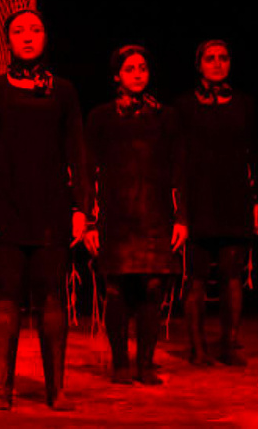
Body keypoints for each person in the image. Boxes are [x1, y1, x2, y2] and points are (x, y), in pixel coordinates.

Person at [0, 8, 87, 411]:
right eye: (19, 31)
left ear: (46, 37)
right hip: (4, 207)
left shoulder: (63, 91)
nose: (28, 36)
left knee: (52, 295)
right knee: (5, 296)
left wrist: (81, 208)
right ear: (8, 41)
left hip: (52, 208)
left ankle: (57, 389)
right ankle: (3, 389)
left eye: (35, 29)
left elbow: (77, 152)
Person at [83, 45, 187, 385]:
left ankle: (145, 363)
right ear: (117, 76)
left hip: (155, 214)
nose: (138, 74)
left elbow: (179, 168)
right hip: (115, 214)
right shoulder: (101, 117)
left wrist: (182, 218)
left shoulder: (166, 117)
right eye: (130, 68)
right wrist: (89, 221)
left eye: (142, 67)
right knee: (116, 289)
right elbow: (88, 169)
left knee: (153, 287)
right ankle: (120, 363)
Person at [176, 39, 258, 366]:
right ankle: (197, 347)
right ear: (199, 64)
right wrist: (179, 206)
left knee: (232, 273)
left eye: (223, 58)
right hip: (199, 197)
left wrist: (257, 199)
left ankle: (230, 343)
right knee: (196, 275)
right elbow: (178, 156)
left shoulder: (243, 104)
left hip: (234, 196)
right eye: (210, 58)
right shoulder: (184, 106)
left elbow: (252, 152)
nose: (217, 63)